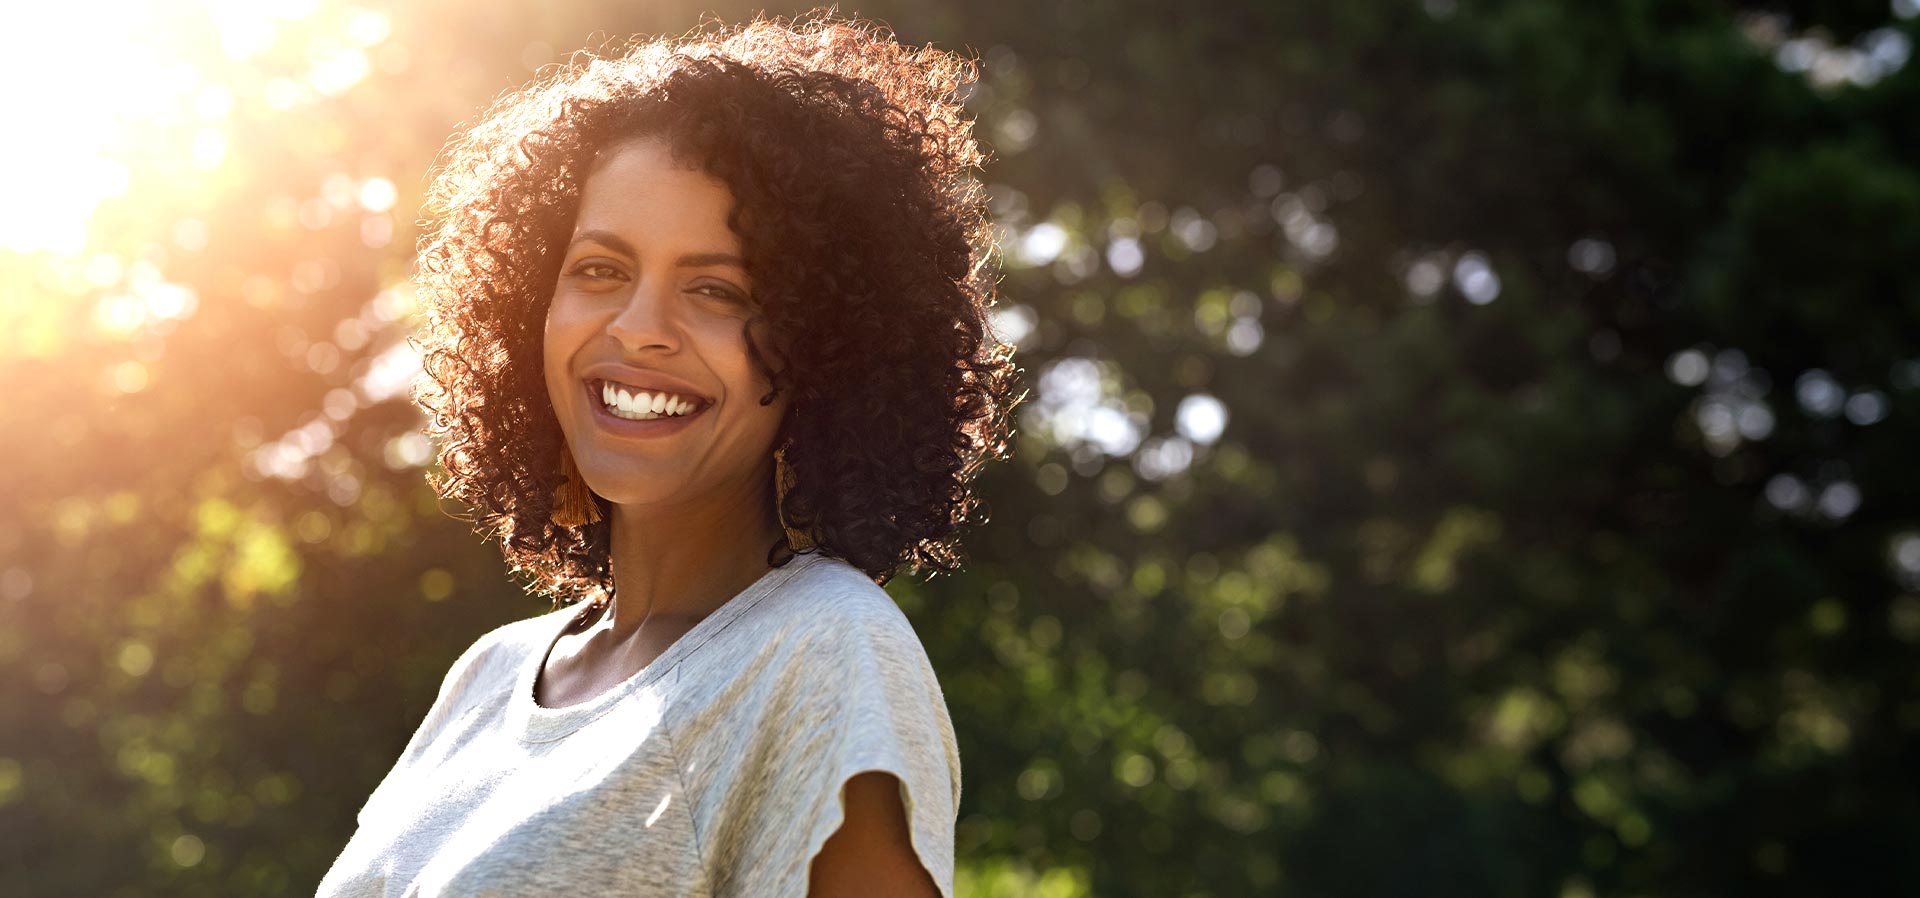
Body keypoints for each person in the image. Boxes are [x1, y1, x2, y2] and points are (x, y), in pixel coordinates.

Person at [314, 10, 1022, 898]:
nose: (639, 329)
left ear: (825, 344)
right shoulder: (488, 676)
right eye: (600, 270)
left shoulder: (826, 651)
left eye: (716, 288)